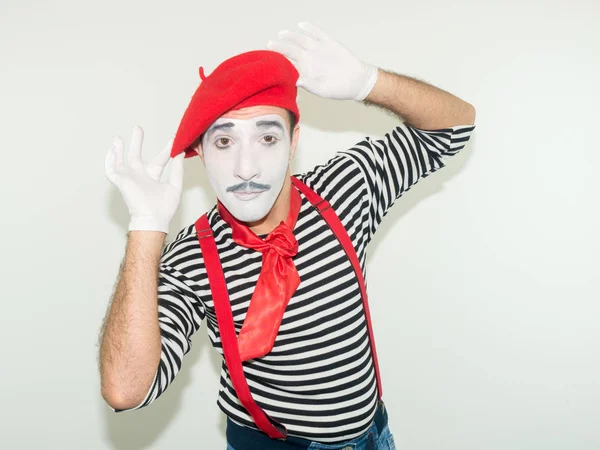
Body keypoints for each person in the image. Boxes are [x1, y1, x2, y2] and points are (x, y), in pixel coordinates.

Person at [100, 22, 476, 450]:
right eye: (224, 141)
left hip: (374, 437)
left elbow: (456, 127)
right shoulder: (191, 257)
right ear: (201, 152)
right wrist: (145, 225)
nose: (246, 167)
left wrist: (370, 83)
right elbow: (127, 390)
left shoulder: (344, 189)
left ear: (294, 141)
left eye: (267, 136)